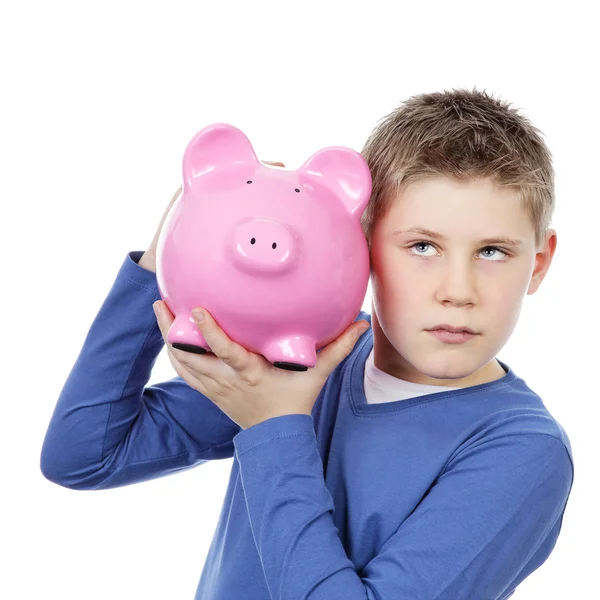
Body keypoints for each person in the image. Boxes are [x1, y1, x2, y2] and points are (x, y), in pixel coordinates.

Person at [40, 87, 574, 600]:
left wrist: (274, 426)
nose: (458, 292)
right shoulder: (302, 365)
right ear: (359, 247)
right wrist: (165, 258)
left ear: (539, 262)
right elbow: (84, 454)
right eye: (422, 246)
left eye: (492, 253)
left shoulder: (523, 452)